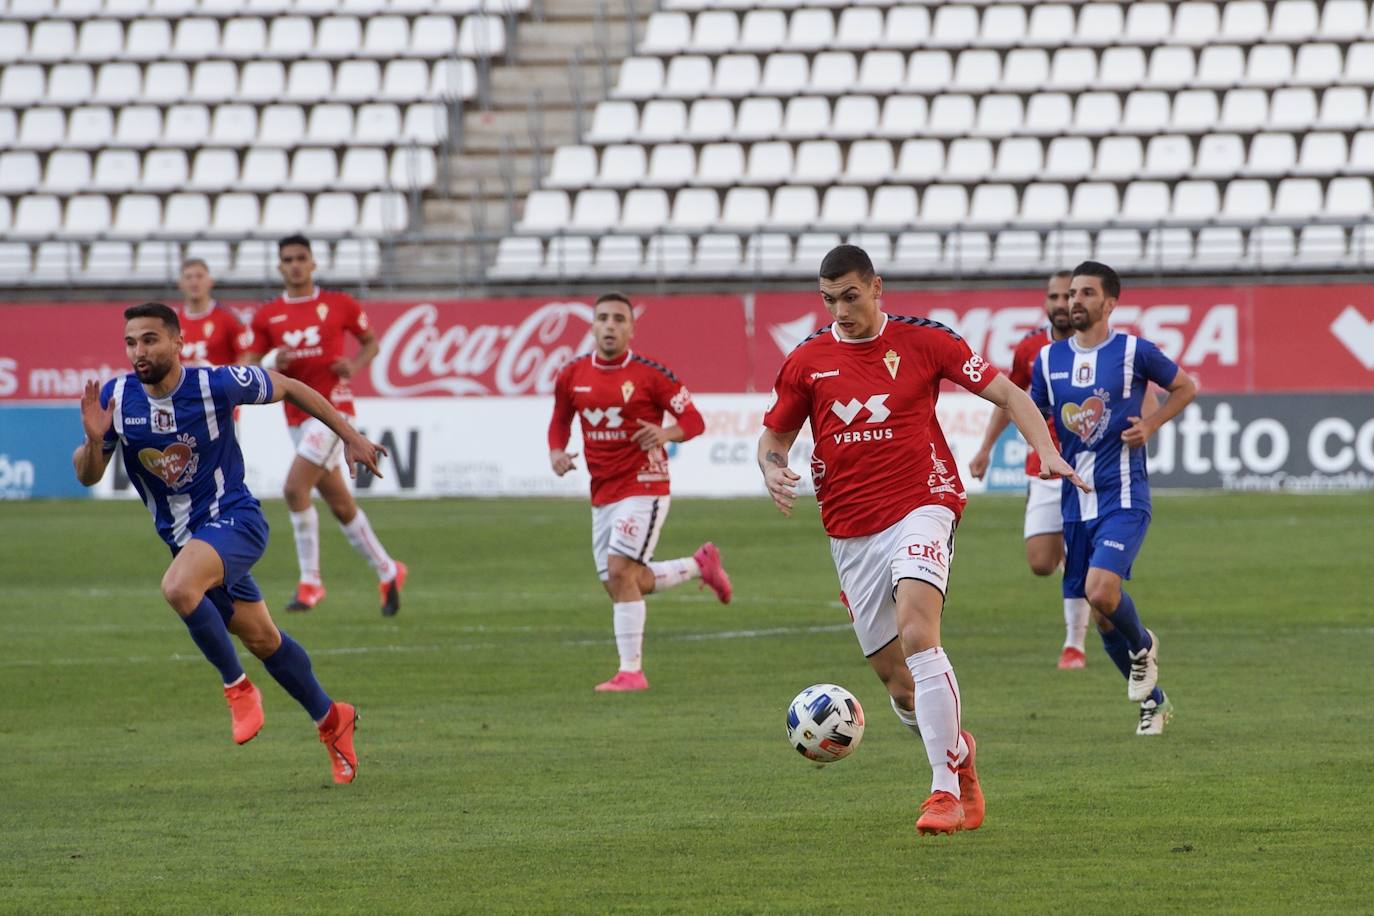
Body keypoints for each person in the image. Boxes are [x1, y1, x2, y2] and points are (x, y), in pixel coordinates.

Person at [758, 245, 1088, 835]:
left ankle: (940, 790)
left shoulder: (926, 340)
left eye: (851, 297)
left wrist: (1046, 451)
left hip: (924, 502)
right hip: (850, 528)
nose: (840, 311)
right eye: (829, 300)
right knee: (900, 686)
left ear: (876, 288)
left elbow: (1011, 394)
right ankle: (959, 758)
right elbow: (774, 436)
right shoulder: (807, 360)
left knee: (918, 631)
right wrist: (772, 467)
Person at [73, 303, 383, 783]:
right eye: (131, 342)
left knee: (178, 588)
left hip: (235, 521)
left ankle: (238, 689)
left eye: (151, 339)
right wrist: (95, 442)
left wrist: (351, 436)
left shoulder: (214, 384)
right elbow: (89, 474)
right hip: (188, 543)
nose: (139, 351)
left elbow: (293, 387)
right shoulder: (117, 397)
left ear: (178, 343)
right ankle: (332, 719)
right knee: (263, 638)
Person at [1029, 261, 1197, 736]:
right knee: (1103, 619)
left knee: (1100, 592)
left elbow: (1186, 386)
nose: (1073, 301)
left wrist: (1151, 424)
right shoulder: (1049, 359)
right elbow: (1035, 411)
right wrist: (1043, 449)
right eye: (1069, 294)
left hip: (1124, 495)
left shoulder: (1133, 351)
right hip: (1074, 502)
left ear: (1110, 303)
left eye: (1085, 293)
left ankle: (1143, 647)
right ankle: (1153, 703)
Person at [548, 292, 734, 692]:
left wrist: (665, 433)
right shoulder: (572, 375)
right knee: (620, 582)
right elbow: (560, 420)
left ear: (632, 329)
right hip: (603, 490)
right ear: (593, 326)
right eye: (602, 318)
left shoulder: (652, 375)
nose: (610, 325)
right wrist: (557, 452)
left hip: (644, 485)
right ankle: (700, 565)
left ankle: (631, 671)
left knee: (619, 572)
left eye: (618, 319)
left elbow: (695, 419)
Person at [243, 235, 407, 617]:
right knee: (339, 502)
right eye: (288, 259)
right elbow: (249, 362)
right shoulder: (268, 316)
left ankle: (310, 582)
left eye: (302, 258)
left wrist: (355, 365)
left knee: (294, 488)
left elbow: (371, 342)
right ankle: (388, 569)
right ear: (279, 266)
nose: (296, 265)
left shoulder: (339, 304)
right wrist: (271, 357)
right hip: (297, 416)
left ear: (313, 263)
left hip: (336, 412)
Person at [969, 271, 1086, 668]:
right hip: (1043, 465)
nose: (1060, 304)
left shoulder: (1098, 349)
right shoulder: (1030, 349)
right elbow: (1008, 400)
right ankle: (1075, 561)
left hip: (1088, 467)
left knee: (1081, 559)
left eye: (1067, 296)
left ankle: (1075, 645)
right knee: (1040, 562)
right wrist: (985, 448)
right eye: (1054, 296)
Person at [176, 258, 252, 368]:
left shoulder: (228, 318)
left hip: (220, 385)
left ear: (210, 282)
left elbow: (246, 358)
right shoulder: (173, 322)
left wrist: (216, 374)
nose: (194, 282)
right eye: (188, 277)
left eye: (199, 276)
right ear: (180, 284)